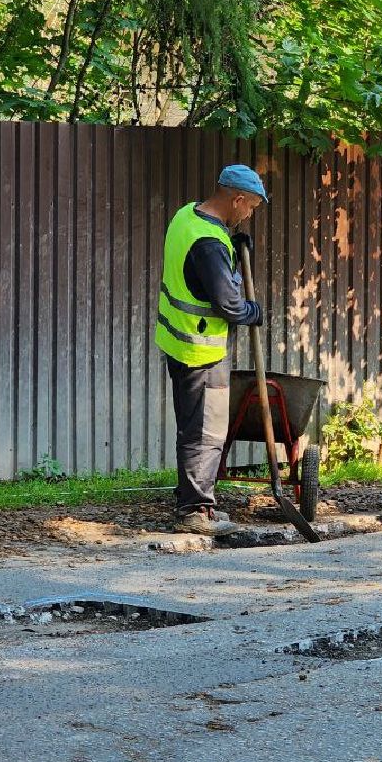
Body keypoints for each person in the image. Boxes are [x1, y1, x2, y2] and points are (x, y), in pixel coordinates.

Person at [155, 165, 268, 536]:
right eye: (250, 206)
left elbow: (201, 275)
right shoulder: (209, 245)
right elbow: (230, 305)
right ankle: (194, 512)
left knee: (192, 427)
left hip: (177, 341)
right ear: (237, 199)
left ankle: (193, 500)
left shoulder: (186, 216)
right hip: (201, 351)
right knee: (205, 432)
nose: (248, 214)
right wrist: (254, 312)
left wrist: (232, 247)